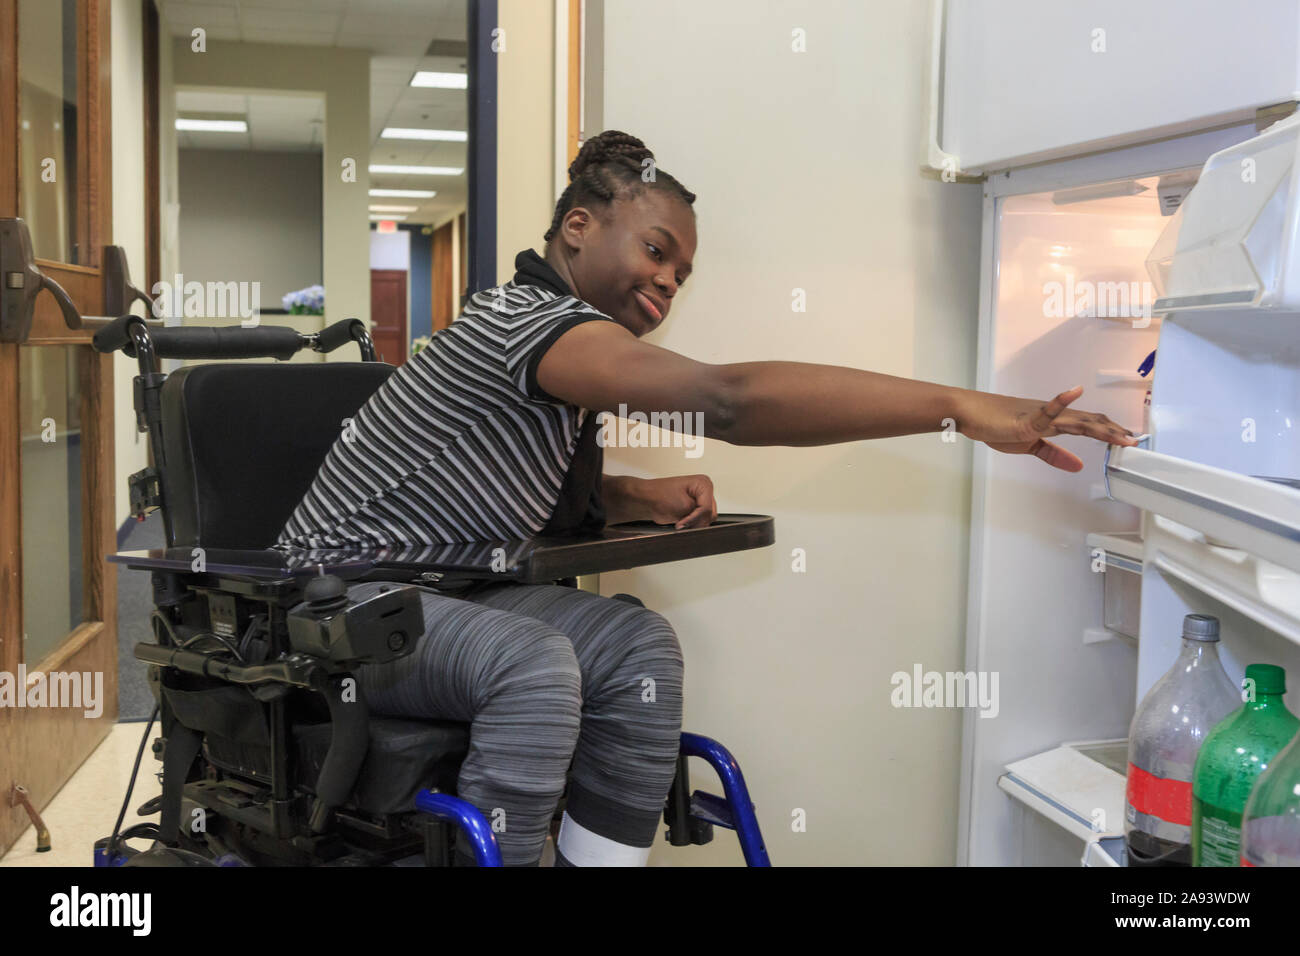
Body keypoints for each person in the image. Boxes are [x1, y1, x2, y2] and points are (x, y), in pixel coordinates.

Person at [276, 129, 1139, 866]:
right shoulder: (528, 325)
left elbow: (470, 482)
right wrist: (956, 405)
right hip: (347, 608)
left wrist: (629, 497)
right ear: (579, 228)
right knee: (534, 666)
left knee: (638, 645)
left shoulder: (554, 341)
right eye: (656, 251)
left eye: (682, 272)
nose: (668, 283)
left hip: (450, 594)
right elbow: (726, 400)